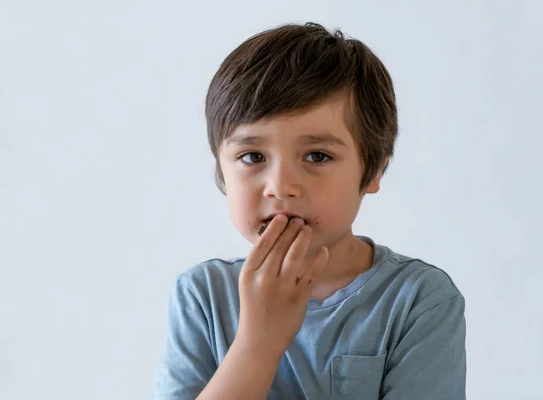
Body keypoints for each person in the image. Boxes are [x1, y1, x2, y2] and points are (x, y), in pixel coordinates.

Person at [151, 22, 466, 400]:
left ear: (374, 169)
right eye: (252, 156)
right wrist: (258, 342)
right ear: (221, 172)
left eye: (317, 156)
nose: (281, 186)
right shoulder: (202, 297)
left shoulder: (417, 300)